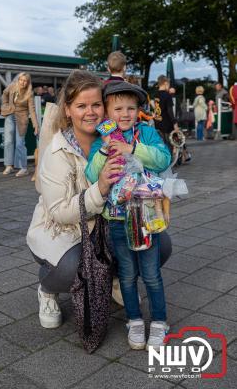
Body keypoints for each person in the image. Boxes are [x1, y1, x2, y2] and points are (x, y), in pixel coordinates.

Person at [27, 70, 121, 329]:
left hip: (102, 227)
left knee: (157, 242)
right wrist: (100, 188)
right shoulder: (57, 152)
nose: (90, 112)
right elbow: (60, 212)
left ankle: (109, 278)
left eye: (96, 104)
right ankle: (47, 287)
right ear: (67, 110)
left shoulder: (113, 139)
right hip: (61, 230)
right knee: (73, 267)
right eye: (81, 106)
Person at [85, 80, 171, 351]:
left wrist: (132, 149)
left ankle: (159, 321)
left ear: (138, 110)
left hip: (147, 218)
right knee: (127, 274)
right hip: (118, 219)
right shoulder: (102, 141)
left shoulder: (145, 133)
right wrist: (104, 150)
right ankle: (133, 319)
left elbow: (163, 159)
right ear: (107, 114)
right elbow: (91, 175)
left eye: (131, 108)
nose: (124, 114)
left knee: (151, 274)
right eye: (118, 108)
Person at [1, 72, 39, 177]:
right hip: (10, 114)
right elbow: (4, 93)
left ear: (28, 82)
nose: (23, 82)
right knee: (8, 141)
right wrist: (5, 105)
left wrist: (36, 125)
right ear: (18, 80)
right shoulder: (12, 86)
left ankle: (23, 168)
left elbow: (32, 109)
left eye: (25, 81)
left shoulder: (29, 93)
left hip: (22, 117)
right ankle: (9, 165)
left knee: (19, 143)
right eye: (21, 80)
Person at [153, 75, 179, 149]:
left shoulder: (156, 95)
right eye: (169, 84)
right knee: (170, 144)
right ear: (165, 83)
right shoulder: (167, 95)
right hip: (167, 124)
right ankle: (172, 158)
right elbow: (170, 111)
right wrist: (175, 123)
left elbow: (156, 109)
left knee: (161, 145)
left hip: (158, 123)